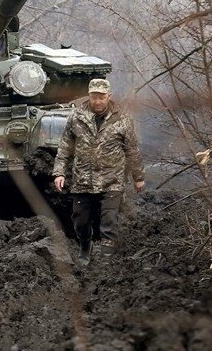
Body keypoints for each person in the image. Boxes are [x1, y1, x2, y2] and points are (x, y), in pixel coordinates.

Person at [52, 78, 145, 264]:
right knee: (80, 220)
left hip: (112, 180)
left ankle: (106, 260)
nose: (97, 101)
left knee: (109, 221)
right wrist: (59, 172)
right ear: (89, 96)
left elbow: (132, 151)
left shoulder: (122, 119)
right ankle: (85, 247)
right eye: (94, 97)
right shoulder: (76, 117)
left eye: (101, 97)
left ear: (108, 96)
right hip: (83, 179)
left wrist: (138, 177)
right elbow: (64, 148)